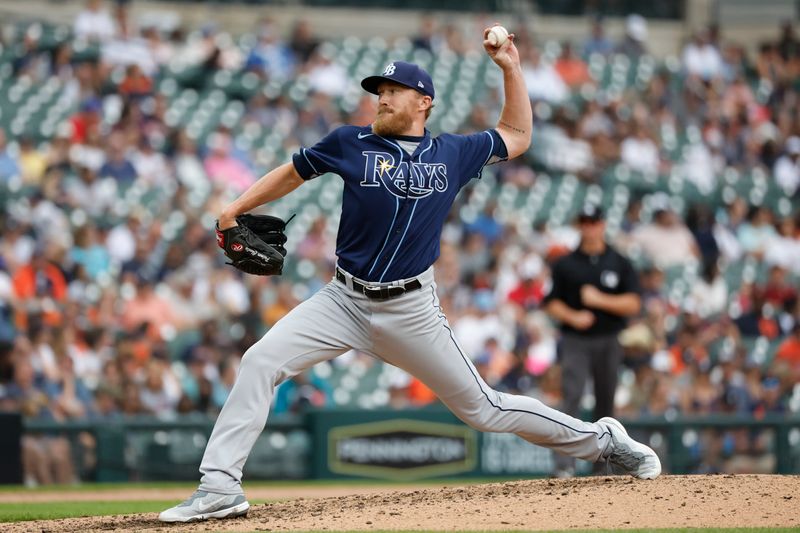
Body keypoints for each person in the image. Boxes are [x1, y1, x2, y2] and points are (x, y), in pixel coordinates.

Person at [159, 27, 660, 524]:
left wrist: (510, 67)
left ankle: (604, 441)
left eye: (393, 92)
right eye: (378, 92)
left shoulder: (453, 153)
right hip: (343, 301)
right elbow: (293, 171)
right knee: (259, 361)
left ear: (424, 102)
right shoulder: (348, 142)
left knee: (484, 409)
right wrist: (236, 206)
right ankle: (220, 486)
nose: (381, 99)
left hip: (411, 309)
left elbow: (518, 135)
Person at [544, 205, 642, 478]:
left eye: (594, 222)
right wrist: (573, 316)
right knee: (571, 398)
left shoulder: (619, 262)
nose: (589, 227)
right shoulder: (566, 263)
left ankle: (604, 466)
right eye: (585, 222)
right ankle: (564, 465)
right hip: (576, 339)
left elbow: (634, 303)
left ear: (602, 225)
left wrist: (600, 300)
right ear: (580, 225)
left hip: (609, 338)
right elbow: (551, 303)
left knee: (605, 404)